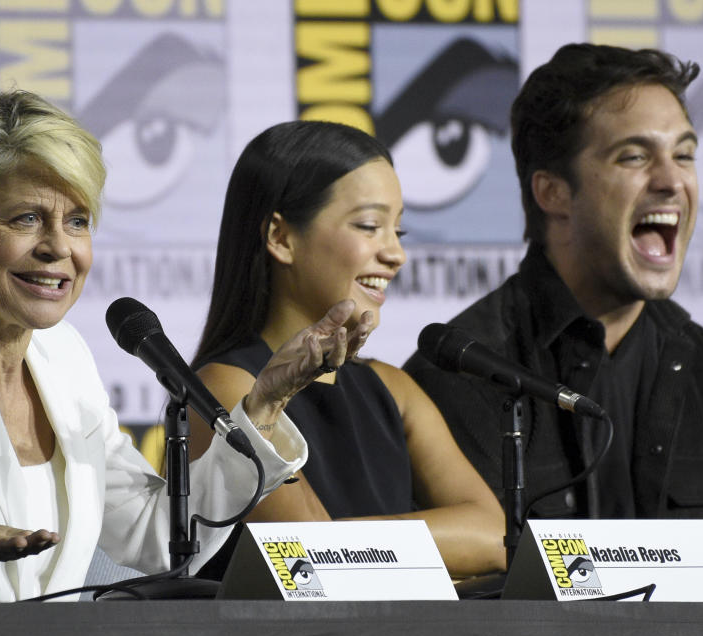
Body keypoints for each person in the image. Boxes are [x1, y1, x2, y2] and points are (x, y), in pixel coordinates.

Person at [0, 91, 361, 604]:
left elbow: (156, 538)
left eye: (77, 221)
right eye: (27, 218)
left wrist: (263, 405)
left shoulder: (61, 356)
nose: (58, 248)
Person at [403, 43, 703, 589]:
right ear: (552, 191)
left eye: (684, 155)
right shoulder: (462, 371)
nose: (672, 181)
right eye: (635, 157)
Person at [188, 120, 506, 579]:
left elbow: (494, 536)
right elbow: (310, 558)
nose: (395, 254)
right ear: (280, 237)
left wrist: (342, 541)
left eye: (400, 231)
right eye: (370, 226)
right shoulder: (227, 387)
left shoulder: (393, 387)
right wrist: (426, 545)